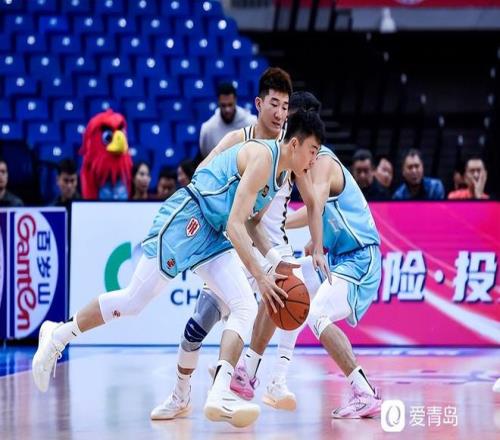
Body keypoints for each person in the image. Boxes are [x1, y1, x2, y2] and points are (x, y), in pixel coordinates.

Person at [31, 109, 326, 429]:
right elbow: (236, 224)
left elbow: (252, 223)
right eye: (313, 150)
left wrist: (274, 262)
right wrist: (261, 274)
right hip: (189, 218)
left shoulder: (281, 177)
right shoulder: (263, 158)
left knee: (245, 305)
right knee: (132, 302)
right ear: (294, 144)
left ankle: (220, 393)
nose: (314, 160)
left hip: (214, 235)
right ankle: (57, 335)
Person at [150, 90, 326, 421]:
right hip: (233, 242)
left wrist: (316, 246)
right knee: (200, 324)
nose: (282, 115)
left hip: (269, 247)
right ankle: (180, 394)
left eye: (288, 110)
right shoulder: (243, 140)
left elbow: (315, 204)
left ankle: (260, 378)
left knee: (290, 297)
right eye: (280, 108)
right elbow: (205, 174)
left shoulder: (298, 159)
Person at [283, 144, 383, 418]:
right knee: (287, 280)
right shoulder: (309, 166)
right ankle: (256, 371)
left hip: (360, 258)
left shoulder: (323, 162)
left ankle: (364, 391)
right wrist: (314, 240)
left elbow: (315, 207)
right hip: (339, 257)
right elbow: (325, 215)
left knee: (317, 314)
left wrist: (279, 221)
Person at [199, 82, 257, 158]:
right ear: (218, 102)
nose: (227, 109)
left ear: (235, 101)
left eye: (230, 104)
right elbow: (206, 156)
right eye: (223, 105)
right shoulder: (207, 129)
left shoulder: (252, 123)